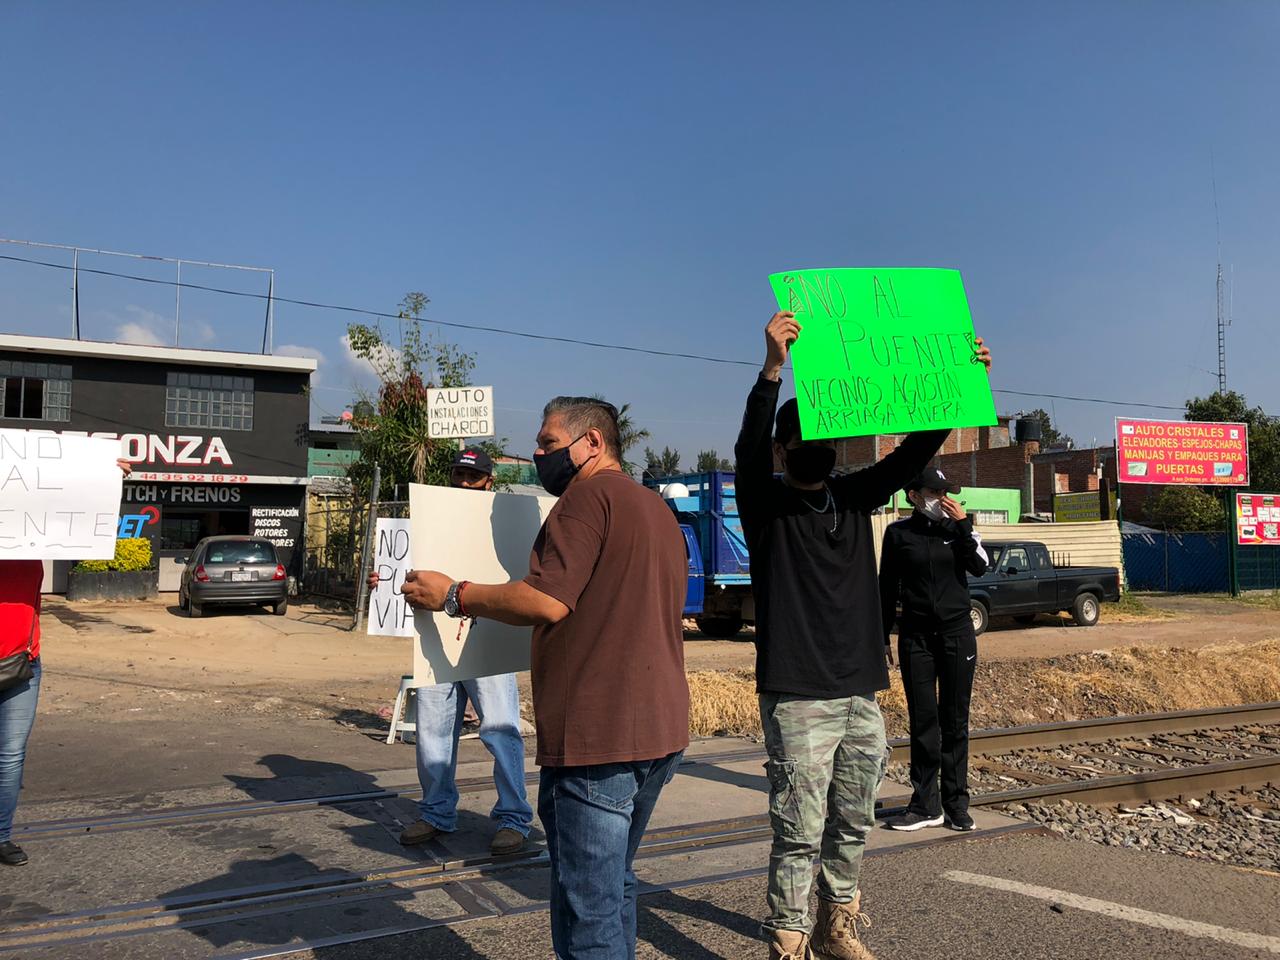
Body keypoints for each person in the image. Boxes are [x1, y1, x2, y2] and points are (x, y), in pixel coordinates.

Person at [736, 312, 991, 960]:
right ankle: (787, 941)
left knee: (851, 821)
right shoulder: (764, 503)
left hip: (858, 692)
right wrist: (772, 368)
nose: (812, 448)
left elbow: (914, 451)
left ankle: (836, 924)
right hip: (796, 694)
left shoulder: (854, 496)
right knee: (797, 829)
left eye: (822, 437)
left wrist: (962, 380)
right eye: (798, 441)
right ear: (781, 450)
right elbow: (746, 446)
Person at [400, 396, 689, 960]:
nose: (536, 454)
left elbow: (546, 600)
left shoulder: (585, 499)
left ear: (593, 443)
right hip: (659, 730)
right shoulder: (654, 507)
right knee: (614, 888)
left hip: (598, 738)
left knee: (589, 912)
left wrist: (456, 594)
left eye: (548, 443)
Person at [368, 446, 534, 856]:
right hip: (436, 641)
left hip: (488, 639)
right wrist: (383, 581)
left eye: (471, 477)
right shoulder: (429, 522)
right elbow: (402, 575)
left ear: (488, 482)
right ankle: (437, 811)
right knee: (433, 732)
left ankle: (513, 817)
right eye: (458, 475)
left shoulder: (504, 523)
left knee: (499, 728)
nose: (463, 482)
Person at [1, 457, 132, 867]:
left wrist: (101, 476)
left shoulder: (27, 537)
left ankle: (1, 836)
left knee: (10, 755)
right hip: (21, 662)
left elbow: (72, 509)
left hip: (22, 663)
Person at [879, 467, 989, 833]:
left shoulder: (958, 529)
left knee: (955, 720)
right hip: (916, 637)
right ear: (913, 496)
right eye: (933, 492)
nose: (942, 499)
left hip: (957, 635)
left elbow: (980, 567)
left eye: (947, 493)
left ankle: (956, 802)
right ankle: (926, 804)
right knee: (923, 720)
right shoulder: (898, 534)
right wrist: (880, 637)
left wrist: (961, 527)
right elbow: (886, 589)